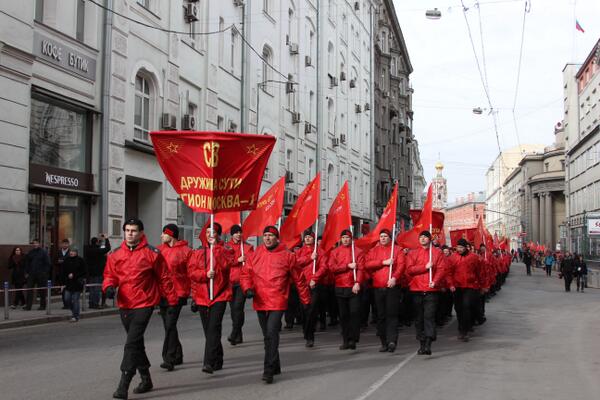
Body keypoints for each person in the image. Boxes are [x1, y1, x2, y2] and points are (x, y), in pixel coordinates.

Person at [103, 218, 178, 399]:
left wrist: (172, 301)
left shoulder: (152, 253)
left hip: (144, 303)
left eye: (134, 230)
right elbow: (109, 275)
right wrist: (108, 287)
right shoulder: (115, 254)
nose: (130, 233)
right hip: (124, 304)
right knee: (136, 343)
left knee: (131, 343)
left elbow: (164, 278)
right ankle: (146, 378)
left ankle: (124, 383)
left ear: (141, 233)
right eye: (127, 230)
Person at [240, 226, 310, 384]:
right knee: (267, 336)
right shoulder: (255, 254)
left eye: (271, 235)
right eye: (265, 235)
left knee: (272, 334)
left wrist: (305, 300)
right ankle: (276, 364)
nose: (267, 238)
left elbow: (299, 279)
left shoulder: (288, 256)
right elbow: (245, 274)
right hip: (260, 300)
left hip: (277, 300)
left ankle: (269, 370)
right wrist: (247, 288)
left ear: (277, 238)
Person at [189, 223, 235, 374]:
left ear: (218, 234)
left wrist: (216, 249)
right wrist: (204, 275)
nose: (210, 235)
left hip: (219, 294)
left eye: (213, 232)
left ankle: (208, 362)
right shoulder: (198, 251)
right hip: (203, 295)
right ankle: (218, 357)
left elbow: (227, 264)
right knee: (209, 330)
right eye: (208, 232)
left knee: (213, 327)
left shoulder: (226, 249)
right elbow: (192, 273)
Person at [405, 231, 447, 356]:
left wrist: (435, 281)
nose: (423, 239)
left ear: (429, 239)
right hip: (417, 289)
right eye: (421, 237)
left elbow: (441, 269)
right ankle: (421, 343)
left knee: (429, 316)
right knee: (419, 318)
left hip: (431, 290)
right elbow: (409, 270)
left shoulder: (437, 252)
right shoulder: (413, 253)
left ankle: (428, 342)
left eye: (425, 237)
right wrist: (424, 267)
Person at [157, 224, 192, 371]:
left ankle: (169, 358)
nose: (161, 236)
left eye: (163, 233)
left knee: (170, 324)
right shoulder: (159, 250)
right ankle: (178, 354)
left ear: (171, 235)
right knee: (168, 325)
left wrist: (193, 294)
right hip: (163, 293)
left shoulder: (186, 251)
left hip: (178, 293)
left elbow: (191, 273)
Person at [364, 229, 405, 353]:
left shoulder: (397, 250)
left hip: (392, 287)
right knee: (381, 316)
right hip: (378, 287)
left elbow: (401, 266)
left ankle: (392, 340)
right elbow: (367, 265)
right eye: (381, 236)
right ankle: (383, 342)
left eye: (385, 236)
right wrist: (383, 262)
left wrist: (394, 278)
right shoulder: (373, 251)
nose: (383, 238)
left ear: (390, 238)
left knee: (391, 314)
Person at [328, 229, 363, 350]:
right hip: (340, 287)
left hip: (353, 287)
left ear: (351, 239)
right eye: (343, 238)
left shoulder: (357, 252)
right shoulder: (335, 252)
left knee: (354, 313)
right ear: (340, 239)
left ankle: (353, 338)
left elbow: (361, 269)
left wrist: (358, 282)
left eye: (347, 238)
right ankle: (345, 340)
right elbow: (332, 267)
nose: (345, 240)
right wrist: (347, 266)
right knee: (343, 315)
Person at [295, 230, 329, 348]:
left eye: (310, 237)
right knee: (304, 309)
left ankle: (310, 336)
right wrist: (309, 258)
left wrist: (315, 278)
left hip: (314, 284)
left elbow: (324, 267)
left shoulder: (320, 252)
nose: (308, 239)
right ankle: (306, 330)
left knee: (312, 309)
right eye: (306, 237)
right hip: (302, 284)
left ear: (314, 239)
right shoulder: (299, 252)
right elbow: (296, 264)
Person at [449, 239, 483, 342]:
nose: (459, 249)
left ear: (466, 247)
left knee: (466, 306)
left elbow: (479, 272)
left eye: (461, 247)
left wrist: (482, 285)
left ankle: (465, 330)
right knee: (458, 308)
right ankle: (461, 326)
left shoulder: (474, 257)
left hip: (470, 286)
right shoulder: (452, 257)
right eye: (458, 247)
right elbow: (448, 272)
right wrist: (450, 284)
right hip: (457, 286)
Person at [227, 224, 254, 346]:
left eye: (240, 232)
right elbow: (223, 262)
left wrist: (246, 259)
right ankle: (238, 334)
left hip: (242, 282)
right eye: (236, 232)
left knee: (238, 307)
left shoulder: (248, 247)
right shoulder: (226, 247)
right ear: (231, 234)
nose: (238, 234)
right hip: (228, 282)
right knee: (234, 310)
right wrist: (236, 260)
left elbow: (252, 262)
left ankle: (234, 332)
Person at [84, 235, 112, 309]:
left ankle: (91, 303)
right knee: (96, 288)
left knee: (91, 288)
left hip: (90, 272)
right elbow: (108, 248)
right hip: (98, 272)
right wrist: (106, 239)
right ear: (96, 242)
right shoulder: (98, 250)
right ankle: (95, 303)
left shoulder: (88, 250)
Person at [24, 239, 51, 311]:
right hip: (32, 274)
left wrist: (44, 272)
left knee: (42, 291)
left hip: (41, 275)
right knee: (29, 289)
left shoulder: (44, 252)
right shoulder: (30, 252)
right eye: (34, 243)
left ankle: (42, 306)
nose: (35, 244)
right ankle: (28, 306)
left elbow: (48, 264)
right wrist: (26, 272)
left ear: (39, 244)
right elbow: (27, 263)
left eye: (36, 243)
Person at [61, 248, 87, 322]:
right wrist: (62, 283)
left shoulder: (80, 260)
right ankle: (74, 311)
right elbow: (63, 272)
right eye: (71, 252)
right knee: (67, 299)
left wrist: (74, 275)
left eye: (73, 252)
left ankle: (75, 316)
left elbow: (84, 271)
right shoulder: (66, 260)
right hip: (68, 284)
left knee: (75, 300)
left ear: (76, 253)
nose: (72, 253)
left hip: (77, 284)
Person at [56, 238, 71, 309]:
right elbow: (55, 261)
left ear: (68, 244)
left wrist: (64, 261)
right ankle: (65, 304)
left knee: (68, 288)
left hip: (69, 273)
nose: (64, 245)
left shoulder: (70, 252)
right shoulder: (59, 252)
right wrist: (58, 262)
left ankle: (69, 303)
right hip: (61, 273)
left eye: (66, 244)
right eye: (63, 244)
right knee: (62, 289)